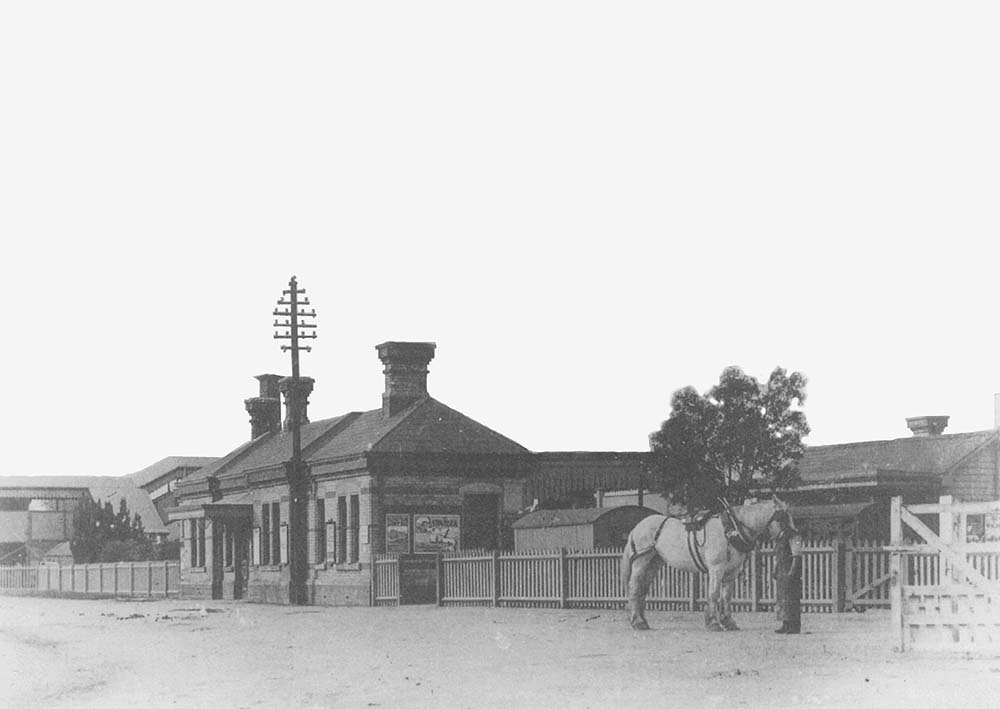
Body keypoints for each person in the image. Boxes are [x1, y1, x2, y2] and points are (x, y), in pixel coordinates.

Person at [773, 525, 803, 634]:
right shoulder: (779, 538)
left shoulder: (794, 535)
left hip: (789, 570)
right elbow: (777, 556)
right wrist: (775, 570)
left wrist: (792, 572)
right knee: (782, 599)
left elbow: (797, 555)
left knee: (792, 598)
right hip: (782, 571)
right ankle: (785, 623)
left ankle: (794, 626)